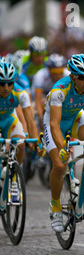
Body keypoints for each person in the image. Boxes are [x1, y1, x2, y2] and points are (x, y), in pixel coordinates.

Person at [43, 54, 84, 233]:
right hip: (55, 122)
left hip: (76, 116)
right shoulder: (59, 91)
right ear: (72, 77)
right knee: (60, 166)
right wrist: (62, 147)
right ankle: (55, 208)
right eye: (81, 77)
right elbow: (54, 124)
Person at [0, 61, 42, 200]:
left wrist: (35, 142)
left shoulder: (21, 93)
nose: (6, 87)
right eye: (2, 84)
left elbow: (30, 120)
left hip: (9, 120)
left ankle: (14, 177)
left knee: (21, 142)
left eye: (10, 83)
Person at [32, 54, 70, 130]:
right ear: (48, 70)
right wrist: (40, 117)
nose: (58, 76)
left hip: (60, 98)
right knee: (42, 102)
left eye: (60, 72)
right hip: (43, 99)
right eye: (55, 73)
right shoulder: (40, 75)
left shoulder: (68, 75)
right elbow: (37, 99)